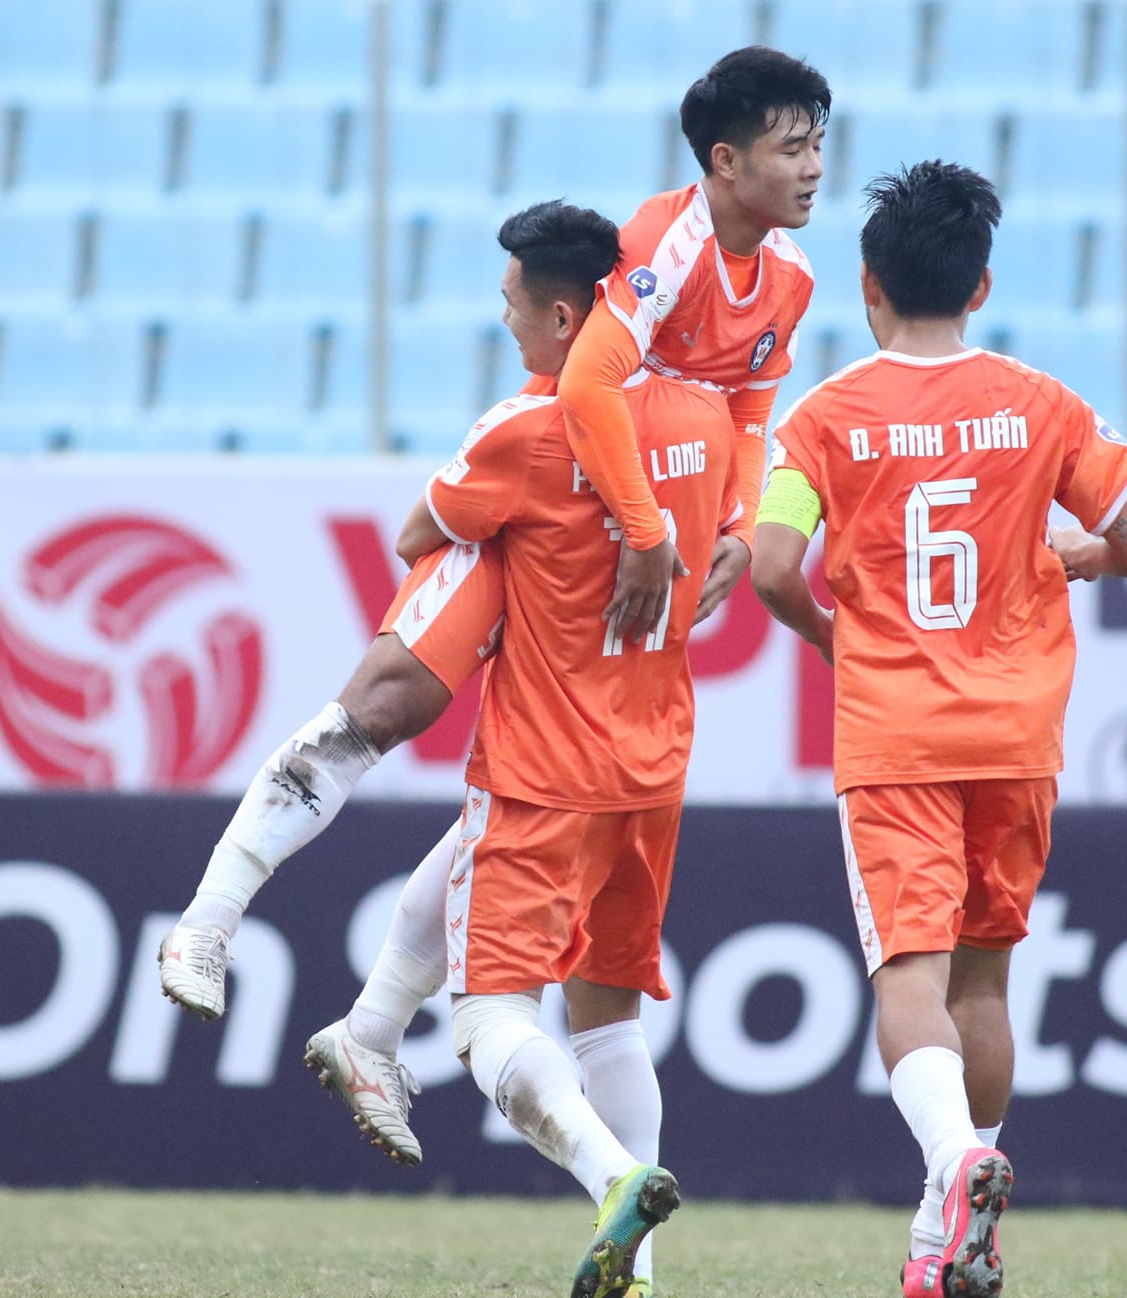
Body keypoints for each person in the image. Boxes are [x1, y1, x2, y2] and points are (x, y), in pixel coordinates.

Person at [159, 42, 829, 1162]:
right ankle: (209, 922)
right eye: (793, 145)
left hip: (655, 493)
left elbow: (754, 402)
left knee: (517, 798)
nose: (813, 167)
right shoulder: (662, 250)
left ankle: (370, 1029)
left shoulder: (790, 279)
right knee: (387, 701)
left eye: (816, 144)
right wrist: (647, 528)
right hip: (572, 488)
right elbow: (579, 387)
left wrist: (731, 522)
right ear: (725, 159)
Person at [749, 161, 1127, 1298]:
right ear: (980, 286)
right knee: (985, 984)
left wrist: (839, 641)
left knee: (907, 978)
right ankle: (946, 1238)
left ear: (868, 285)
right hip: (1019, 735)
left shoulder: (821, 420)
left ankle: (956, 1158)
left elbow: (775, 568)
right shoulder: (1044, 402)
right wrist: (1074, 552)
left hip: (898, 737)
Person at [405, 197, 735, 1298]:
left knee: (488, 1018)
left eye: (510, 305)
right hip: (653, 766)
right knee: (611, 1016)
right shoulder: (703, 413)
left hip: (544, 771)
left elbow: (420, 534)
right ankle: (644, 1276)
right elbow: (721, 537)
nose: (504, 325)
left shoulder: (530, 426)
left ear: (561, 314)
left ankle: (615, 1176)